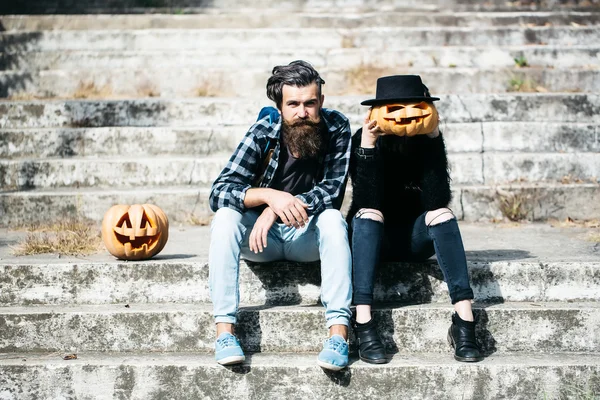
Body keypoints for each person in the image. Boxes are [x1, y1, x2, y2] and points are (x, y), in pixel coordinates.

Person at [208, 60, 353, 370]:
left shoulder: (336, 127)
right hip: (261, 242)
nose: (303, 112)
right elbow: (219, 191)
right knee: (224, 218)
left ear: (321, 102)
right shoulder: (264, 130)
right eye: (293, 104)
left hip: (305, 238)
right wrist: (268, 197)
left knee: (332, 219)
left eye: (310, 103)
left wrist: (275, 211)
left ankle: (339, 334)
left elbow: (332, 191)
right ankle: (224, 333)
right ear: (280, 106)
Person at [347, 75, 483, 364]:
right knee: (369, 213)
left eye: (413, 107)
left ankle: (464, 321)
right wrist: (368, 146)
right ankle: (363, 321)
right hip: (374, 239)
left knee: (443, 214)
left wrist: (433, 140)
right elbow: (366, 201)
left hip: (414, 239)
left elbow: (436, 200)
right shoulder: (360, 141)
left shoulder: (426, 142)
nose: (405, 117)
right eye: (394, 109)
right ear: (377, 112)